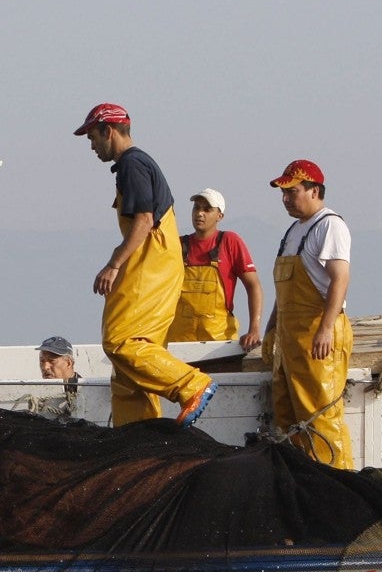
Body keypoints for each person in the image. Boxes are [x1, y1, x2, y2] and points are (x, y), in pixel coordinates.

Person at [74, 103, 216, 428]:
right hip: (157, 265)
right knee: (130, 367)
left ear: (108, 131)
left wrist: (113, 264)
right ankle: (139, 435)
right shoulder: (134, 165)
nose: (93, 146)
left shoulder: (132, 164)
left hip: (151, 265)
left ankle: (192, 385)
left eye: (93, 137)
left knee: (121, 341)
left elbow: (144, 220)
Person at [264, 159, 353, 469]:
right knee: (289, 422)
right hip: (291, 342)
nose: (287, 198)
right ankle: (303, 486)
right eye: (284, 192)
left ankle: (338, 484)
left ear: (315, 190)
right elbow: (283, 289)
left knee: (320, 416)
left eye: (293, 191)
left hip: (317, 340)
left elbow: (340, 278)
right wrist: (271, 329)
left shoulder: (329, 225)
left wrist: (326, 329)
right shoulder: (293, 230)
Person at [166, 188, 264, 350]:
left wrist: (254, 329)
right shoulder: (178, 245)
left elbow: (253, 286)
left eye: (207, 209)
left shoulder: (229, 241)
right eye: (196, 208)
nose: (199, 213)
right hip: (178, 341)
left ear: (220, 216)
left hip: (218, 342)